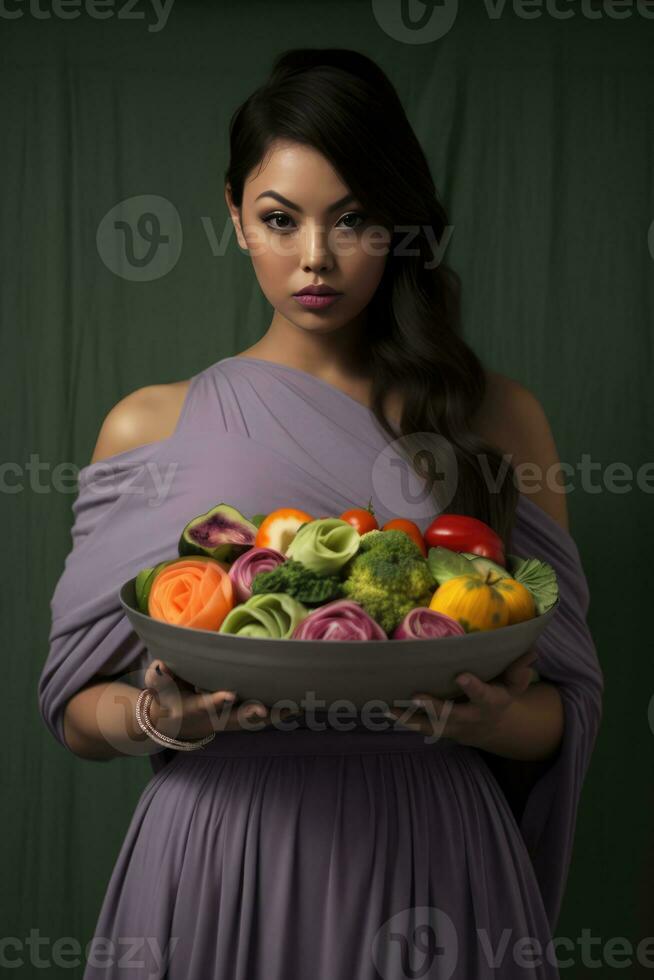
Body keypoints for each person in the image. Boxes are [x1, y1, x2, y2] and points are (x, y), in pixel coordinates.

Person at [38, 48, 603, 980]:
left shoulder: (495, 418)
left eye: (354, 220)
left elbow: (563, 707)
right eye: (279, 219)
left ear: (400, 225)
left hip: (434, 853)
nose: (315, 258)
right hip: (221, 854)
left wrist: (491, 723)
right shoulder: (148, 424)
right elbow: (72, 713)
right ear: (233, 215)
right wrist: (158, 716)